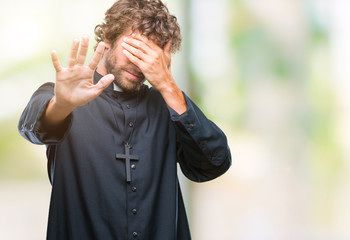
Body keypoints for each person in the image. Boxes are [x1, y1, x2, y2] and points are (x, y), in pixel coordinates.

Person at [18, 0, 231, 239]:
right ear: (107, 40)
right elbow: (34, 126)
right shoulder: (62, 98)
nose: (139, 63)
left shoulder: (170, 107)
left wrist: (168, 86)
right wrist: (62, 105)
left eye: (149, 56)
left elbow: (214, 163)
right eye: (133, 49)